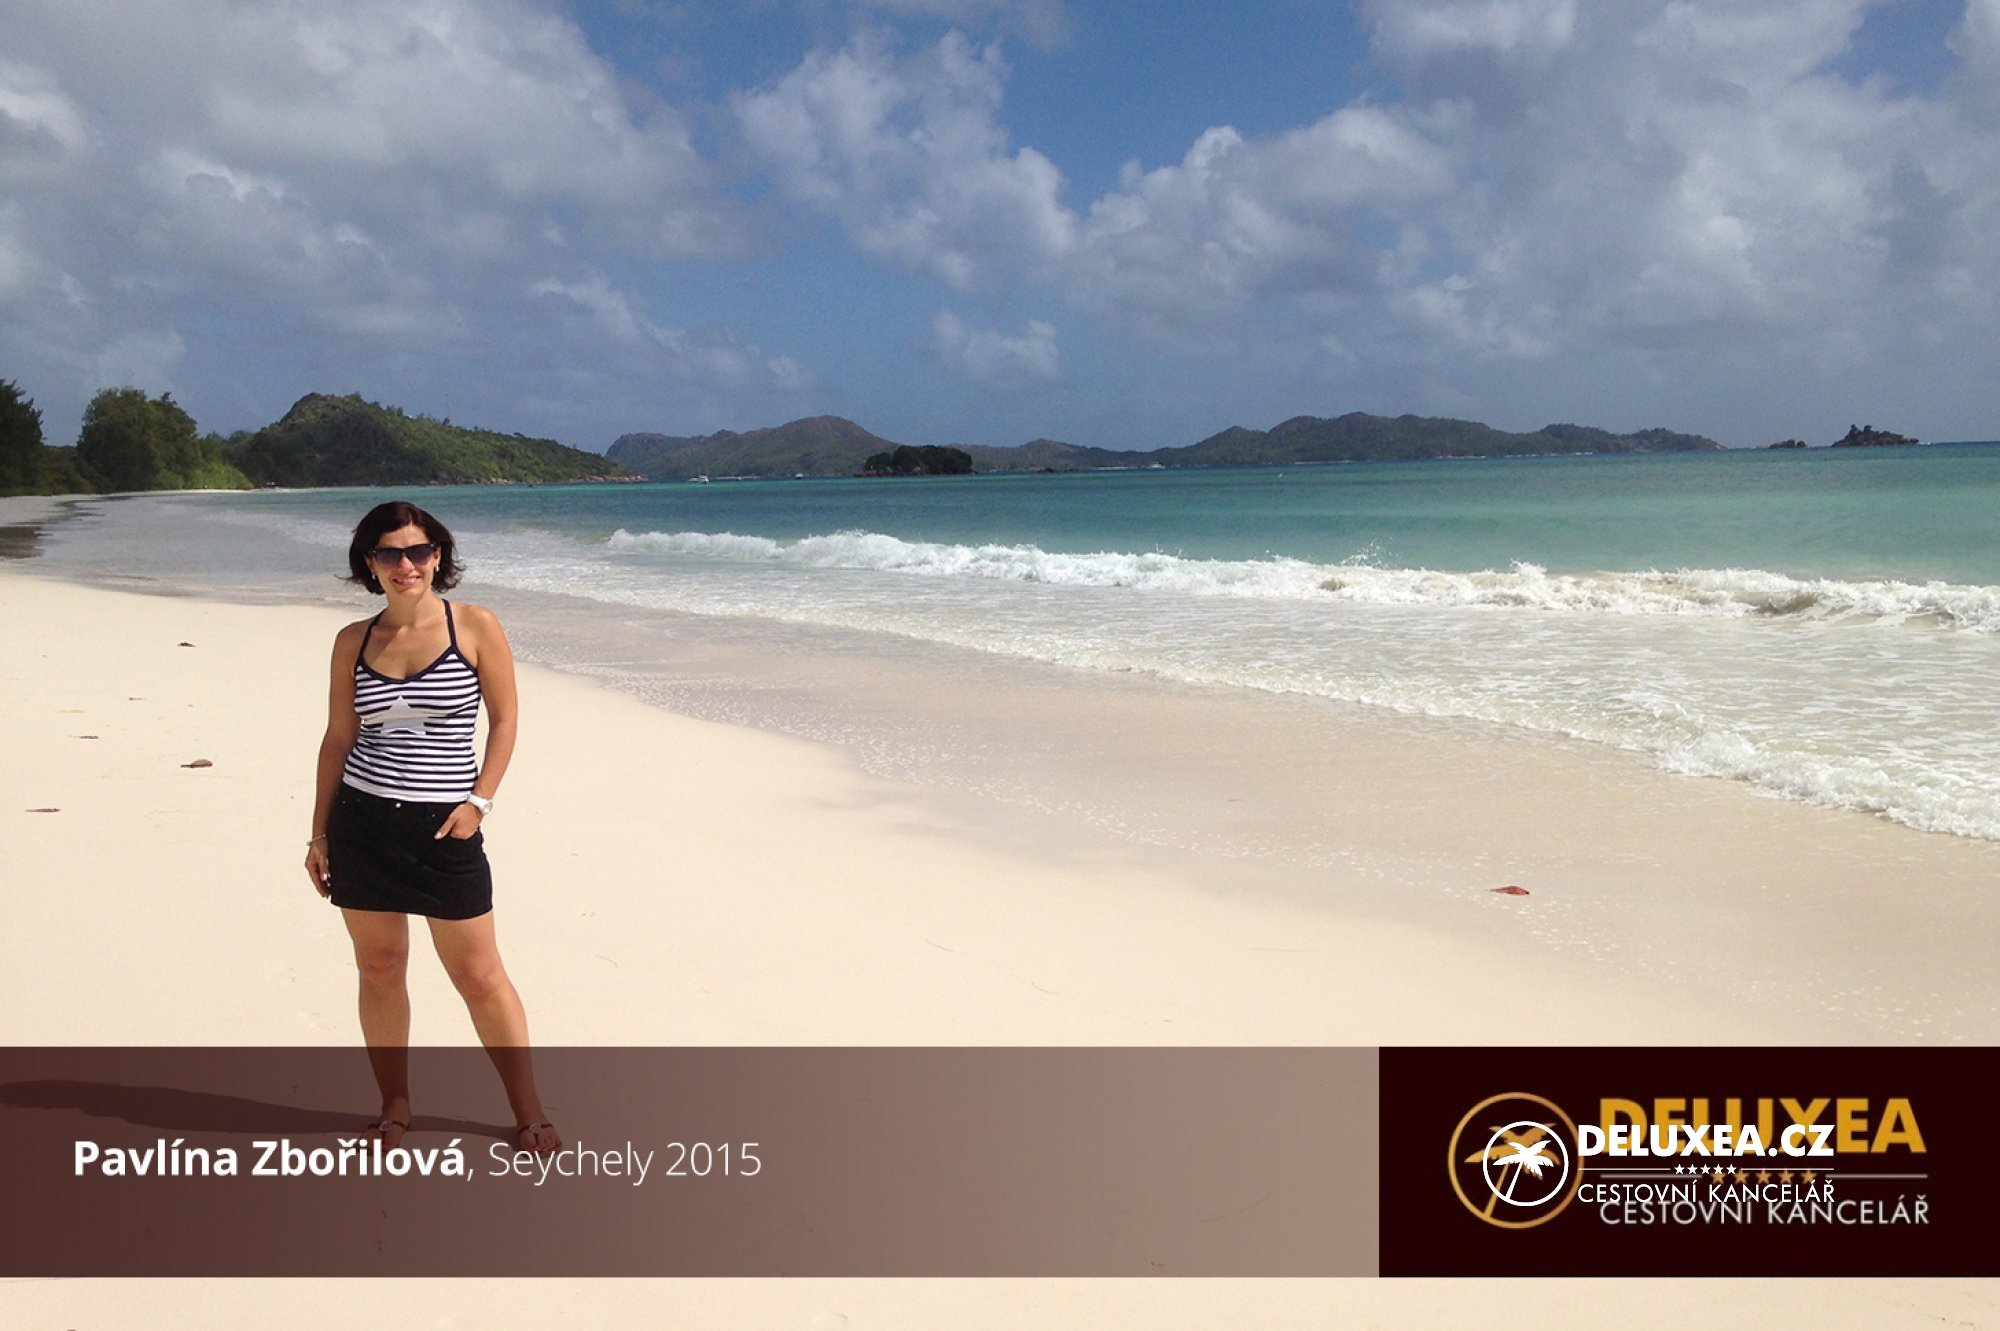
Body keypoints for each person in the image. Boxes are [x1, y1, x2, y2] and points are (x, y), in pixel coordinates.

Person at [304, 500, 558, 1155]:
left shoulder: (474, 625)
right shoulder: (352, 641)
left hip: (446, 829)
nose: (406, 564)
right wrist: (319, 833)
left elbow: (505, 719)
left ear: (438, 556)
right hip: (363, 824)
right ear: (370, 563)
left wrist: (480, 802)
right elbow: (338, 738)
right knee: (380, 966)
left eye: (418, 551)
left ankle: (528, 1109)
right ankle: (394, 1103)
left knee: (480, 975)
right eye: (389, 553)